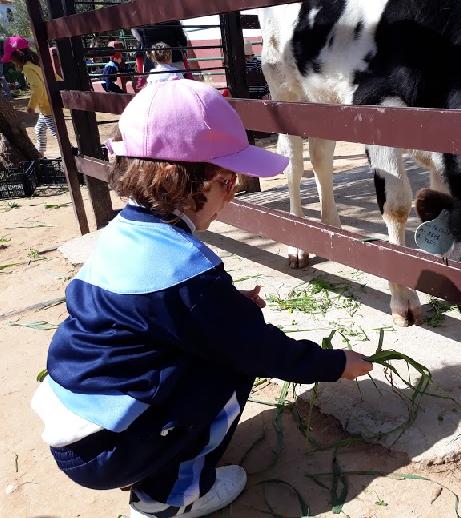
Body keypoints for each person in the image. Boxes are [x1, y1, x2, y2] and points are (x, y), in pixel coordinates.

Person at [31, 79, 373, 518]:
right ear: (195, 181)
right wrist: (335, 364)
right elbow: (261, 351)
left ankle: (150, 457)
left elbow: (151, 317)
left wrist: (228, 309)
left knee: (217, 349)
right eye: (229, 181)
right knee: (230, 366)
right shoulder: (187, 272)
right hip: (107, 447)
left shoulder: (122, 236)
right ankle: (171, 498)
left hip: (81, 428)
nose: (231, 195)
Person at [2, 36, 58, 157]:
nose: (13, 63)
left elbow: (38, 87)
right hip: (48, 105)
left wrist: (31, 105)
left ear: (17, 56)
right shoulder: (36, 64)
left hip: (47, 107)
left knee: (57, 133)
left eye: (12, 60)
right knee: (39, 129)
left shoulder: (27, 68)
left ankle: (71, 151)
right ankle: (40, 153)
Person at [132, 21, 191, 91]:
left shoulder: (143, 20)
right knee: (179, 88)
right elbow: (182, 40)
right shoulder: (171, 18)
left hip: (152, 61)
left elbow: (141, 40)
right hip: (174, 58)